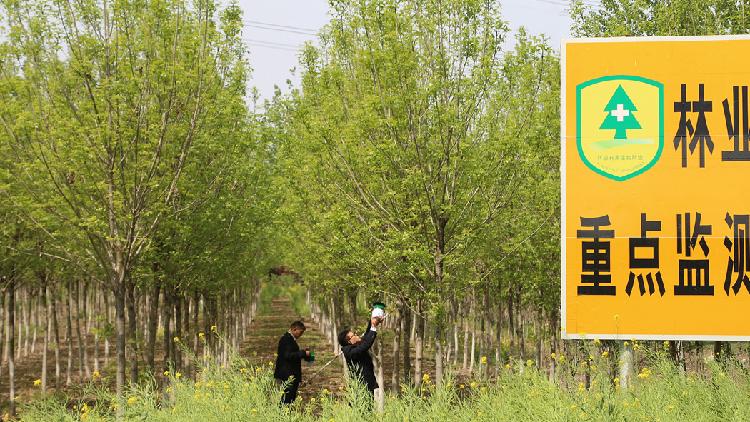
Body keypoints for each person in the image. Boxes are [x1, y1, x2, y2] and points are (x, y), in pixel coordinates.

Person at [337, 315, 382, 399]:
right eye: (354, 335)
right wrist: (373, 327)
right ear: (349, 341)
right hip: (360, 387)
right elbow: (366, 344)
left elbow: (367, 335)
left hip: (367, 385)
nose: (357, 335)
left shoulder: (355, 346)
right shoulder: (350, 352)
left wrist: (372, 321)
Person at [273, 320, 311, 404]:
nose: (301, 335)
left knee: (290, 398)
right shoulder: (286, 339)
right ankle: (283, 412)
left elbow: (292, 354)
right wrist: (303, 353)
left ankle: (287, 411)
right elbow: (288, 355)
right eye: (300, 332)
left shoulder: (290, 339)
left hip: (291, 375)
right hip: (287, 375)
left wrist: (304, 353)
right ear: (294, 329)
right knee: (287, 398)